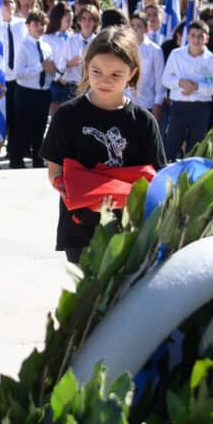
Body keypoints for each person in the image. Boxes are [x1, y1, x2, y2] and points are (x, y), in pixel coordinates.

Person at [43, 24, 167, 265]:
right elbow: (55, 172)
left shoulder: (144, 121)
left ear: (132, 73)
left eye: (116, 75)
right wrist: (86, 197)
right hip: (80, 229)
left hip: (130, 230)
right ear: (86, 66)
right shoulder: (67, 115)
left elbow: (157, 177)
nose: (104, 81)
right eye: (96, 71)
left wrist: (124, 199)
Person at [159, 19, 213, 159]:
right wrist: (180, 83)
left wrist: (197, 87)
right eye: (193, 35)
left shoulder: (211, 59)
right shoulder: (176, 54)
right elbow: (165, 79)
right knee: (171, 146)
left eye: (200, 36)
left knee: (195, 148)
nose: (196, 39)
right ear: (187, 37)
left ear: (207, 38)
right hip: (178, 108)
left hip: (200, 109)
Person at [9, 8, 54, 168]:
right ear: (28, 25)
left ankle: (38, 159)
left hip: (42, 92)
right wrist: (40, 67)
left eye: (42, 24)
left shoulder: (46, 46)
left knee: (40, 127)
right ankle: (16, 160)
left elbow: (49, 69)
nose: (40, 27)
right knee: (22, 128)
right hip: (26, 92)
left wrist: (52, 72)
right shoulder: (23, 46)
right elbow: (19, 73)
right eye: (36, 24)